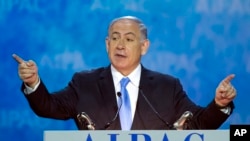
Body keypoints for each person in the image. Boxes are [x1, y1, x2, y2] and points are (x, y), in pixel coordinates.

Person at [13, 16, 236, 130]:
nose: (120, 45)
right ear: (106, 44)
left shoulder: (168, 86)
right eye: (115, 38)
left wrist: (220, 104)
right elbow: (48, 107)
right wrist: (33, 82)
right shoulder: (84, 83)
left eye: (129, 39)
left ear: (144, 46)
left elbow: (198, 124)